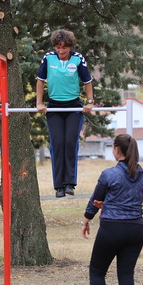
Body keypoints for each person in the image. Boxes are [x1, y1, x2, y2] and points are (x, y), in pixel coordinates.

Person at [76, 134, 143, 285]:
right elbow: (131, 196)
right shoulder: (142, 174)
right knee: (126, 274)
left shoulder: (109, 174)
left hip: (112, 229)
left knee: (97, 272)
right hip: (135, 229)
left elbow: (95, 199)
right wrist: (109, 202)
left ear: (116, 150)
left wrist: (86, 220)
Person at [36, 29, 94, 198]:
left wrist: (90, 102)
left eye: (64, 48)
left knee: (70, 141)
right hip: (54, 106)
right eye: (58, 47)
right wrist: (39, 103)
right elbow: (40, 81)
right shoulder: (48, 58)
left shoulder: (78, 58)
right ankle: (59, 186)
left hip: (73, 107)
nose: (61, 51)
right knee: (57, 143)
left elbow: (87, 82)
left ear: (70, 47)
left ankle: (69, 183)